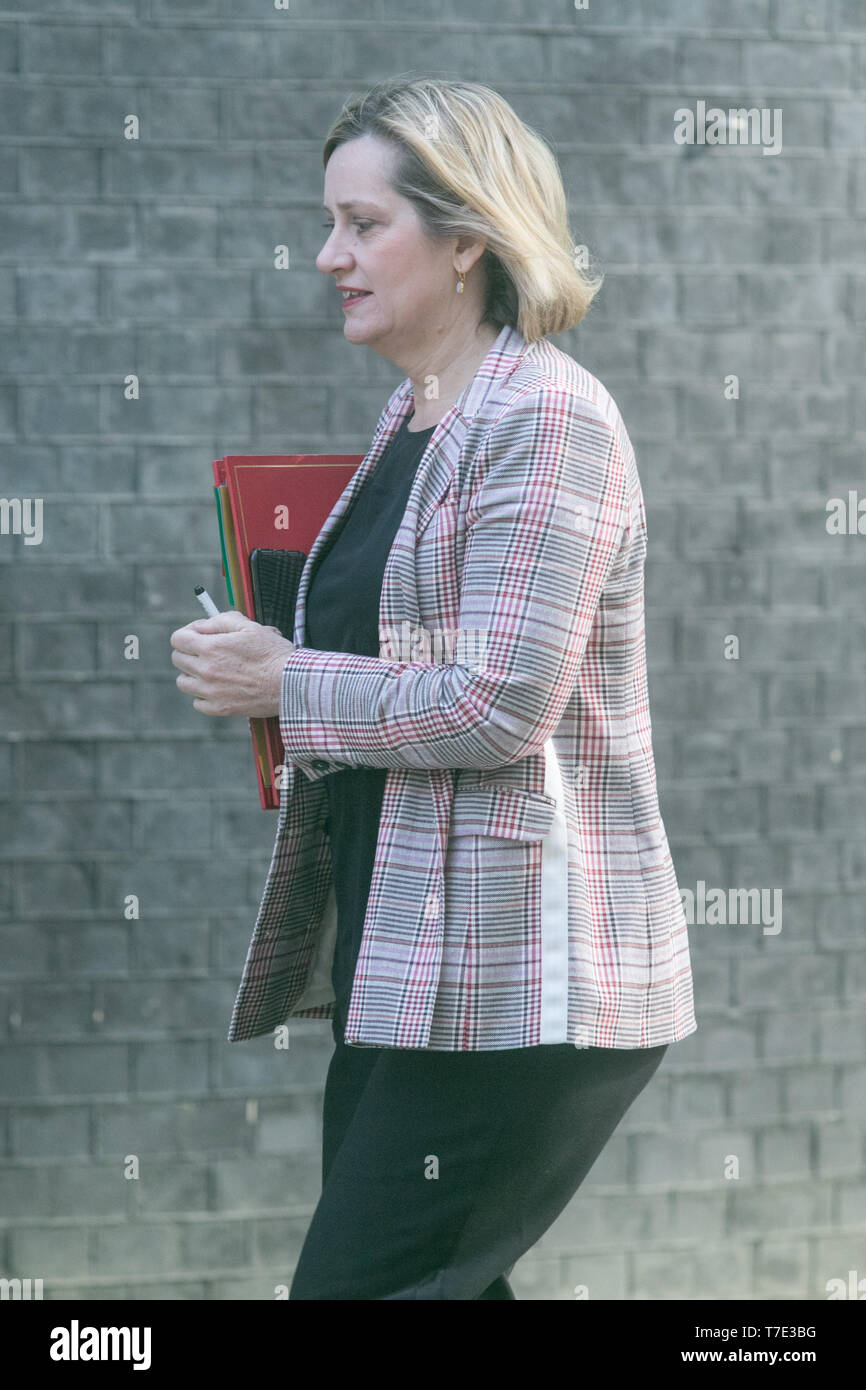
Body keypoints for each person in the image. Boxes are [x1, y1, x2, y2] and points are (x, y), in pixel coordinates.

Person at [170, 77, 697, 1300]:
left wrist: (288, 678)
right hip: (411, 966)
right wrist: (266, 670)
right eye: (330, 224)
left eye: (363, 226)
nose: (327, 255)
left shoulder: (547, 419)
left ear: (466, 238)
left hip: (524, 982)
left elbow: (495, 702)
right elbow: (402, 669)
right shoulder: (415, 413)